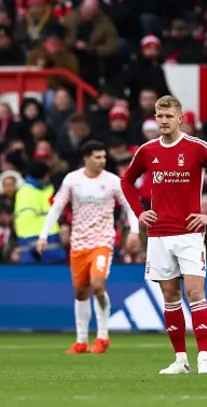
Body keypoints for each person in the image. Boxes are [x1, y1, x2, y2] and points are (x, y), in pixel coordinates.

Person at [120, 95, 207, 375]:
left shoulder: (198, 148)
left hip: (189, 233)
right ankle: (180, 359)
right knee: (170, 296)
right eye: (159, 116)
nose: (163, 121)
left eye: (168, 116)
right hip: (159, 234)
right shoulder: (147, 151)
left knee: (195, 292)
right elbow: (126, 180)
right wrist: (139, 211)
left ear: (180, 118)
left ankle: (204, 359)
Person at [36, 140, 140, 354]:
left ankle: (102, 337)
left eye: (104, 157)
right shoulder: (72, 180)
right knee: (81, 292)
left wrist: (135, 232)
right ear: (86, 158)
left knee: (98, 285)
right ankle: (81, 340)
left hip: (103, 242)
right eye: (98, 157)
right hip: (79, 243)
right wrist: (44, 234)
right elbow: (57, 207)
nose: (102, 161)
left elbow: (131, 207)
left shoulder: (112, 181)